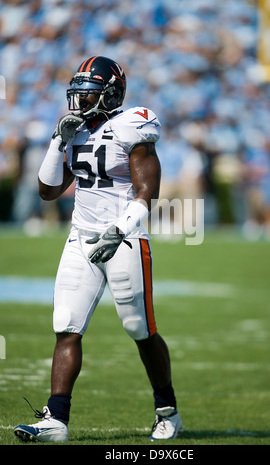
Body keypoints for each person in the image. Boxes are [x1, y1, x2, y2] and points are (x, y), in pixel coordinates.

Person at [14, 56, 182, 442]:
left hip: (124, 238)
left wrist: (118, 230)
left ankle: (167, 411)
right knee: (66, 327)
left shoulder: (132, 125)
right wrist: (58, 141)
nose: (80, 99)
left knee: (140, 328)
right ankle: (56, 419)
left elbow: (147, 193)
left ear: (111, 93)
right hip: (81, 238)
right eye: (78, 91)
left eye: (88, 91)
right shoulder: (76, 131)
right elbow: (47, 191)